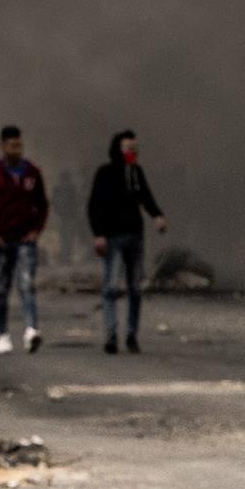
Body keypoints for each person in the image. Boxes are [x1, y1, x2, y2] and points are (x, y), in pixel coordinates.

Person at [87, 129, 168, 355]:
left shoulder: (135, 172)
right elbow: (94, 206)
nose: (133, 152)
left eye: (135, 149)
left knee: (135, 288)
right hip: (112, 236)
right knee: (111, 287)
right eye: (128, 148)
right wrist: (98, 234)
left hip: (135, 235)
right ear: (118, 149)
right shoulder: (105, 173)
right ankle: (111, 336)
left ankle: (131, 335)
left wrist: (157, 216)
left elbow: (146, 197)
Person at [0, 125, 51, 354]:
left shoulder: (32, 172)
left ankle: (31, 330)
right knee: (1, 288)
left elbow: (43, 205)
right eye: (12, 145)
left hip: (25, 240)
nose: (16, 149)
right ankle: (3, 334)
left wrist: (36, 230)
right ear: (2, 146)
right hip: (2, 240)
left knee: (27, 285)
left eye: (19, 145)